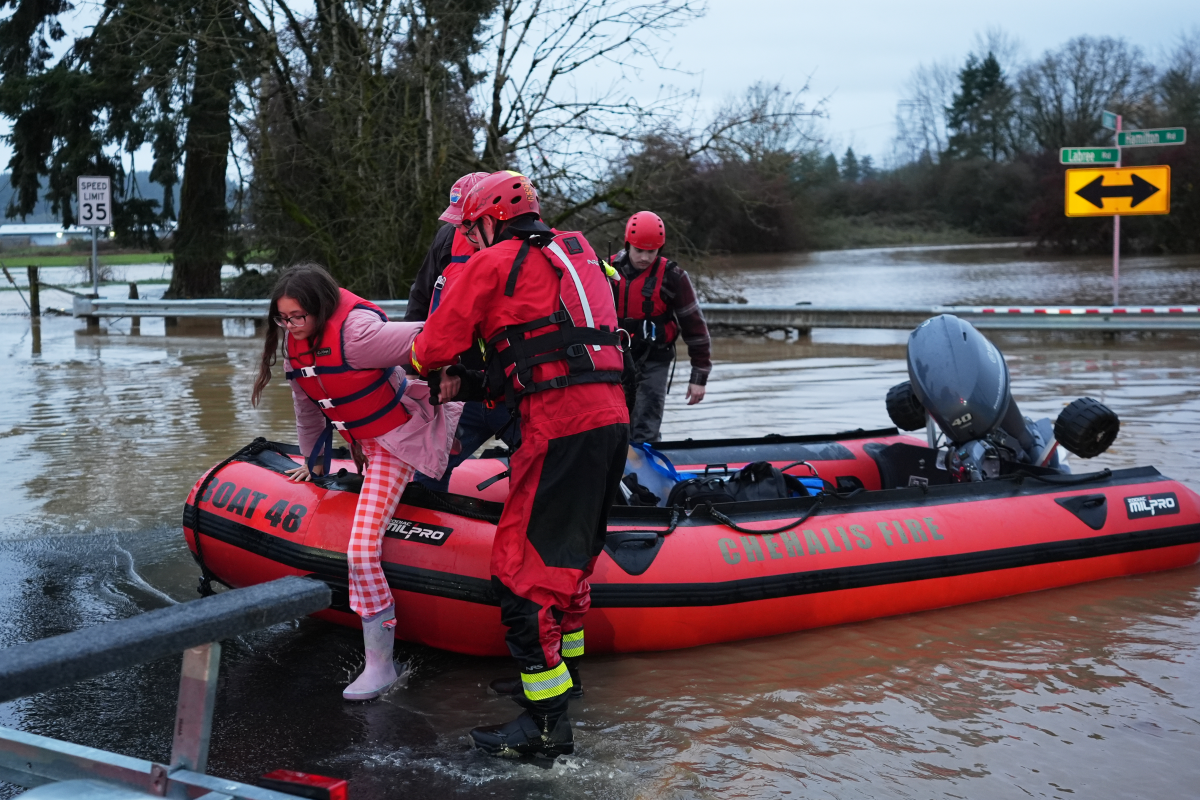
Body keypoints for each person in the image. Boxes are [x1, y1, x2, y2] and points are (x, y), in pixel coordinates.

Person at [410, 170, 629, 758]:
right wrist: (479, 382)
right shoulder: (579, 252)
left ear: (489, 219)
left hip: (559, 428)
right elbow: (548, 348)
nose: (469, 239)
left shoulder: (492, 262)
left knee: (519, 573)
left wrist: (403, 359)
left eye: (470, 228)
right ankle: (564, 680)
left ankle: (547, 728)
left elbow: (429, 347)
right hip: (610, 420)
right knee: (570, 561)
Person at [251, 263, 461, 702]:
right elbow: (308, 407)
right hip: (362, 441)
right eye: (282, 319)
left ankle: (381, 666)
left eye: (296, 318)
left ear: (320, 309)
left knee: (362, 549)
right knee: (370, 530)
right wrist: (315, 462)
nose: (289, 327)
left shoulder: (358, 334)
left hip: (399, 439)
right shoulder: (297, 344)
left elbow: (438, 330)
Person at [407, 171, 521, 492]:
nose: (461, 229)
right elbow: (421, 296)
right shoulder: (447, 239)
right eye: (457, 221)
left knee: (543, 473)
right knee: (429, 472)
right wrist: (412, 365)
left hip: (510, 389)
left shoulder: (517, 252)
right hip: (461, 384)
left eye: (466, 222)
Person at [610, 211, 712, 444]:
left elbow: (695, 328)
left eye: (652, 251)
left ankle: (645, 473)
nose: (645, 257)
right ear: (628, 245)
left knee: (646, 425)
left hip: (653, 361)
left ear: (660, 249)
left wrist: (699, 377)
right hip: (614, 360)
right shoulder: (607, 270)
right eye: (639, 251)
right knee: (613, 424)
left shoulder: (673, 277)